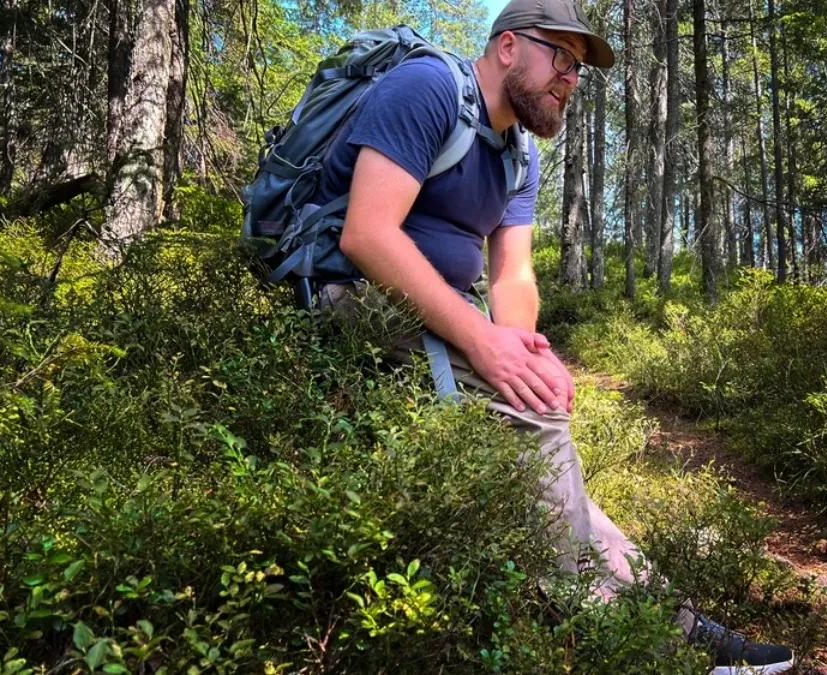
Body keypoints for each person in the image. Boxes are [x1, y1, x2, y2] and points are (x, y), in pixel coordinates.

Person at [312, 1, 795, 671]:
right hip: (353, 297)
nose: (569, 78)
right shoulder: (425, 89)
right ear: (508, 46)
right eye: (560, 58)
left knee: (553, 463)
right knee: (535, 423)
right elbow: (365, 233)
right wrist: (483, 345)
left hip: (435, 312)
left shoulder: (517, 153)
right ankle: (638, 644)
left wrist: (521, 345)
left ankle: (685, 624)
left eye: (578, 69)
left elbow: (512, 275)